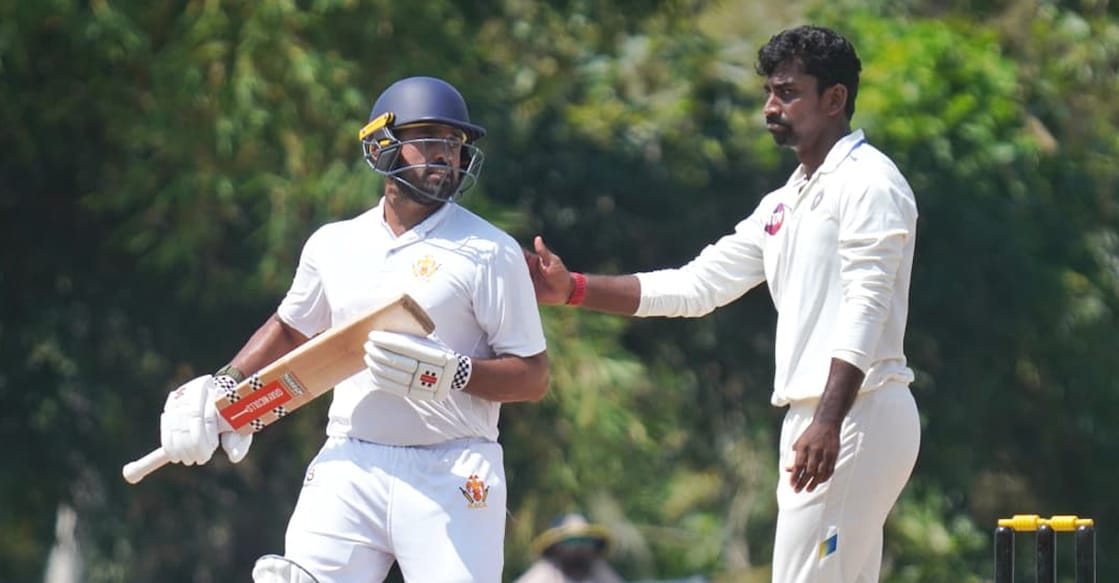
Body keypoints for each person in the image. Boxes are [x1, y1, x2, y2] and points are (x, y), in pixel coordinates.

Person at [525, 25, 920, 583]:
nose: (770, 107)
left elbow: (867, 305)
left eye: (787, 92)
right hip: (820, 415)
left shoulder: (869, 183)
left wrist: (829, 421)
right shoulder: (788, 199)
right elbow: (696, 286)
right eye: (768, 92)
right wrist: (576, 290)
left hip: (857, 408)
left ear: (835, 99)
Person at [157, 75, 549, 583]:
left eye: (453, 144)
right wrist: (226, 385)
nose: (445, 156)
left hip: (451, 470)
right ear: (381, 145)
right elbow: (292, 327)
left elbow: (533, 376)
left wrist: (453, 373)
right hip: (350, 458)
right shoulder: (334, 244)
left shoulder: (490, 251)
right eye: (428, 139)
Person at [514, 513, 625, 583]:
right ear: (555, 549)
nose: (579, 548)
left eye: (585, 541)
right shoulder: (543, 574)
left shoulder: (600, 572)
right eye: (571, 542)